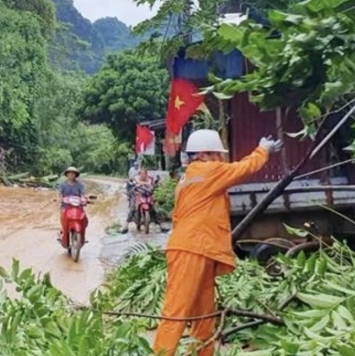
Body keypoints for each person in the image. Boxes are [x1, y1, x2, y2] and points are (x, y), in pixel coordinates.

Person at [153, 130, 282, 356]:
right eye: (217, 154)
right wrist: (263, 150)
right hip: (192, 248)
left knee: (205, 313)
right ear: (203, 155)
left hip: (196, 248)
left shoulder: (188, 178)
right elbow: (242, 169)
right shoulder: (207, 170)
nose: (220, 159)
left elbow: (177, 216)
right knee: (177, 311)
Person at [121, 168, 167, 233]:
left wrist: (155, 186)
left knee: (153, 210)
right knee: (132, 209)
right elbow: (131, 184)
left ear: (146, 174)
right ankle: (125, 226)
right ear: (139, 174)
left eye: (144, 174)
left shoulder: (150, 179)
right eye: (142, 174)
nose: (143, 175)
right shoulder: (136, 179)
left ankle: (161, 227)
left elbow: (153, 185)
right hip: (137, 195)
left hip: (147, 196)